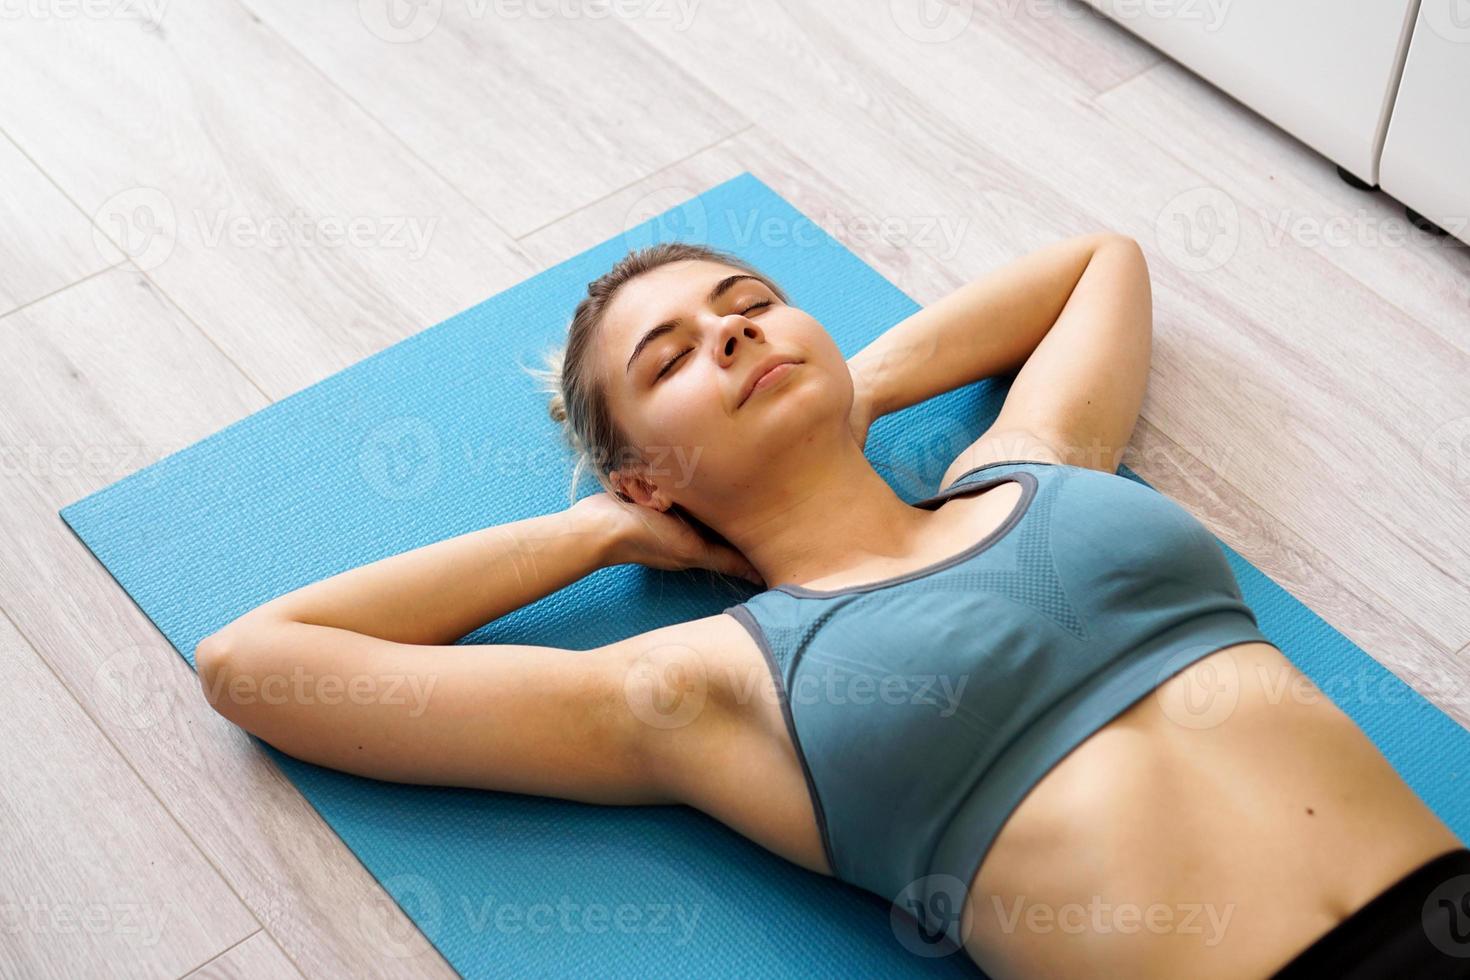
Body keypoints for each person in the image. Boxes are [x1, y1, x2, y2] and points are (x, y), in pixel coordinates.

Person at [195, 236, 1470, 978]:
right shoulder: (710, 688)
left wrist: (851, 390)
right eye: (674, 357)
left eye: (748, 308)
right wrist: (596, 530)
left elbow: (1099, 263)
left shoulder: (1031, 468)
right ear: (644, 469)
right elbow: (257, 660)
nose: (733, 337)